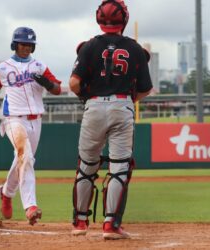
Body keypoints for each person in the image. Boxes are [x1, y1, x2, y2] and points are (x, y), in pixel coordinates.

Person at [69, 0, 153, 240]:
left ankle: (80, 222)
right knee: (120, 167)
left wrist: (87, 97)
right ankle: (110, 226)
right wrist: (127, 101)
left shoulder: (88, 47)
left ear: (99, 19)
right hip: (122, 105)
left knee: (86, 166)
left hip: (94, 105)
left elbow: (74, 83)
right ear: (124, 20)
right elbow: (146, 88)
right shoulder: (135, 49)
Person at [0, 27, 61, 225]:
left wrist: (47, 83)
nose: (26, 47)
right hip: (13, 118)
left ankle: (6, 193)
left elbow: (58, 90)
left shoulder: (39, 66)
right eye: (23, 43)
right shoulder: (2, 68)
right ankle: (30, 207)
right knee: (25, 155)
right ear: (15, 44)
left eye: (30, 44)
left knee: (22, 159)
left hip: (36, 119)